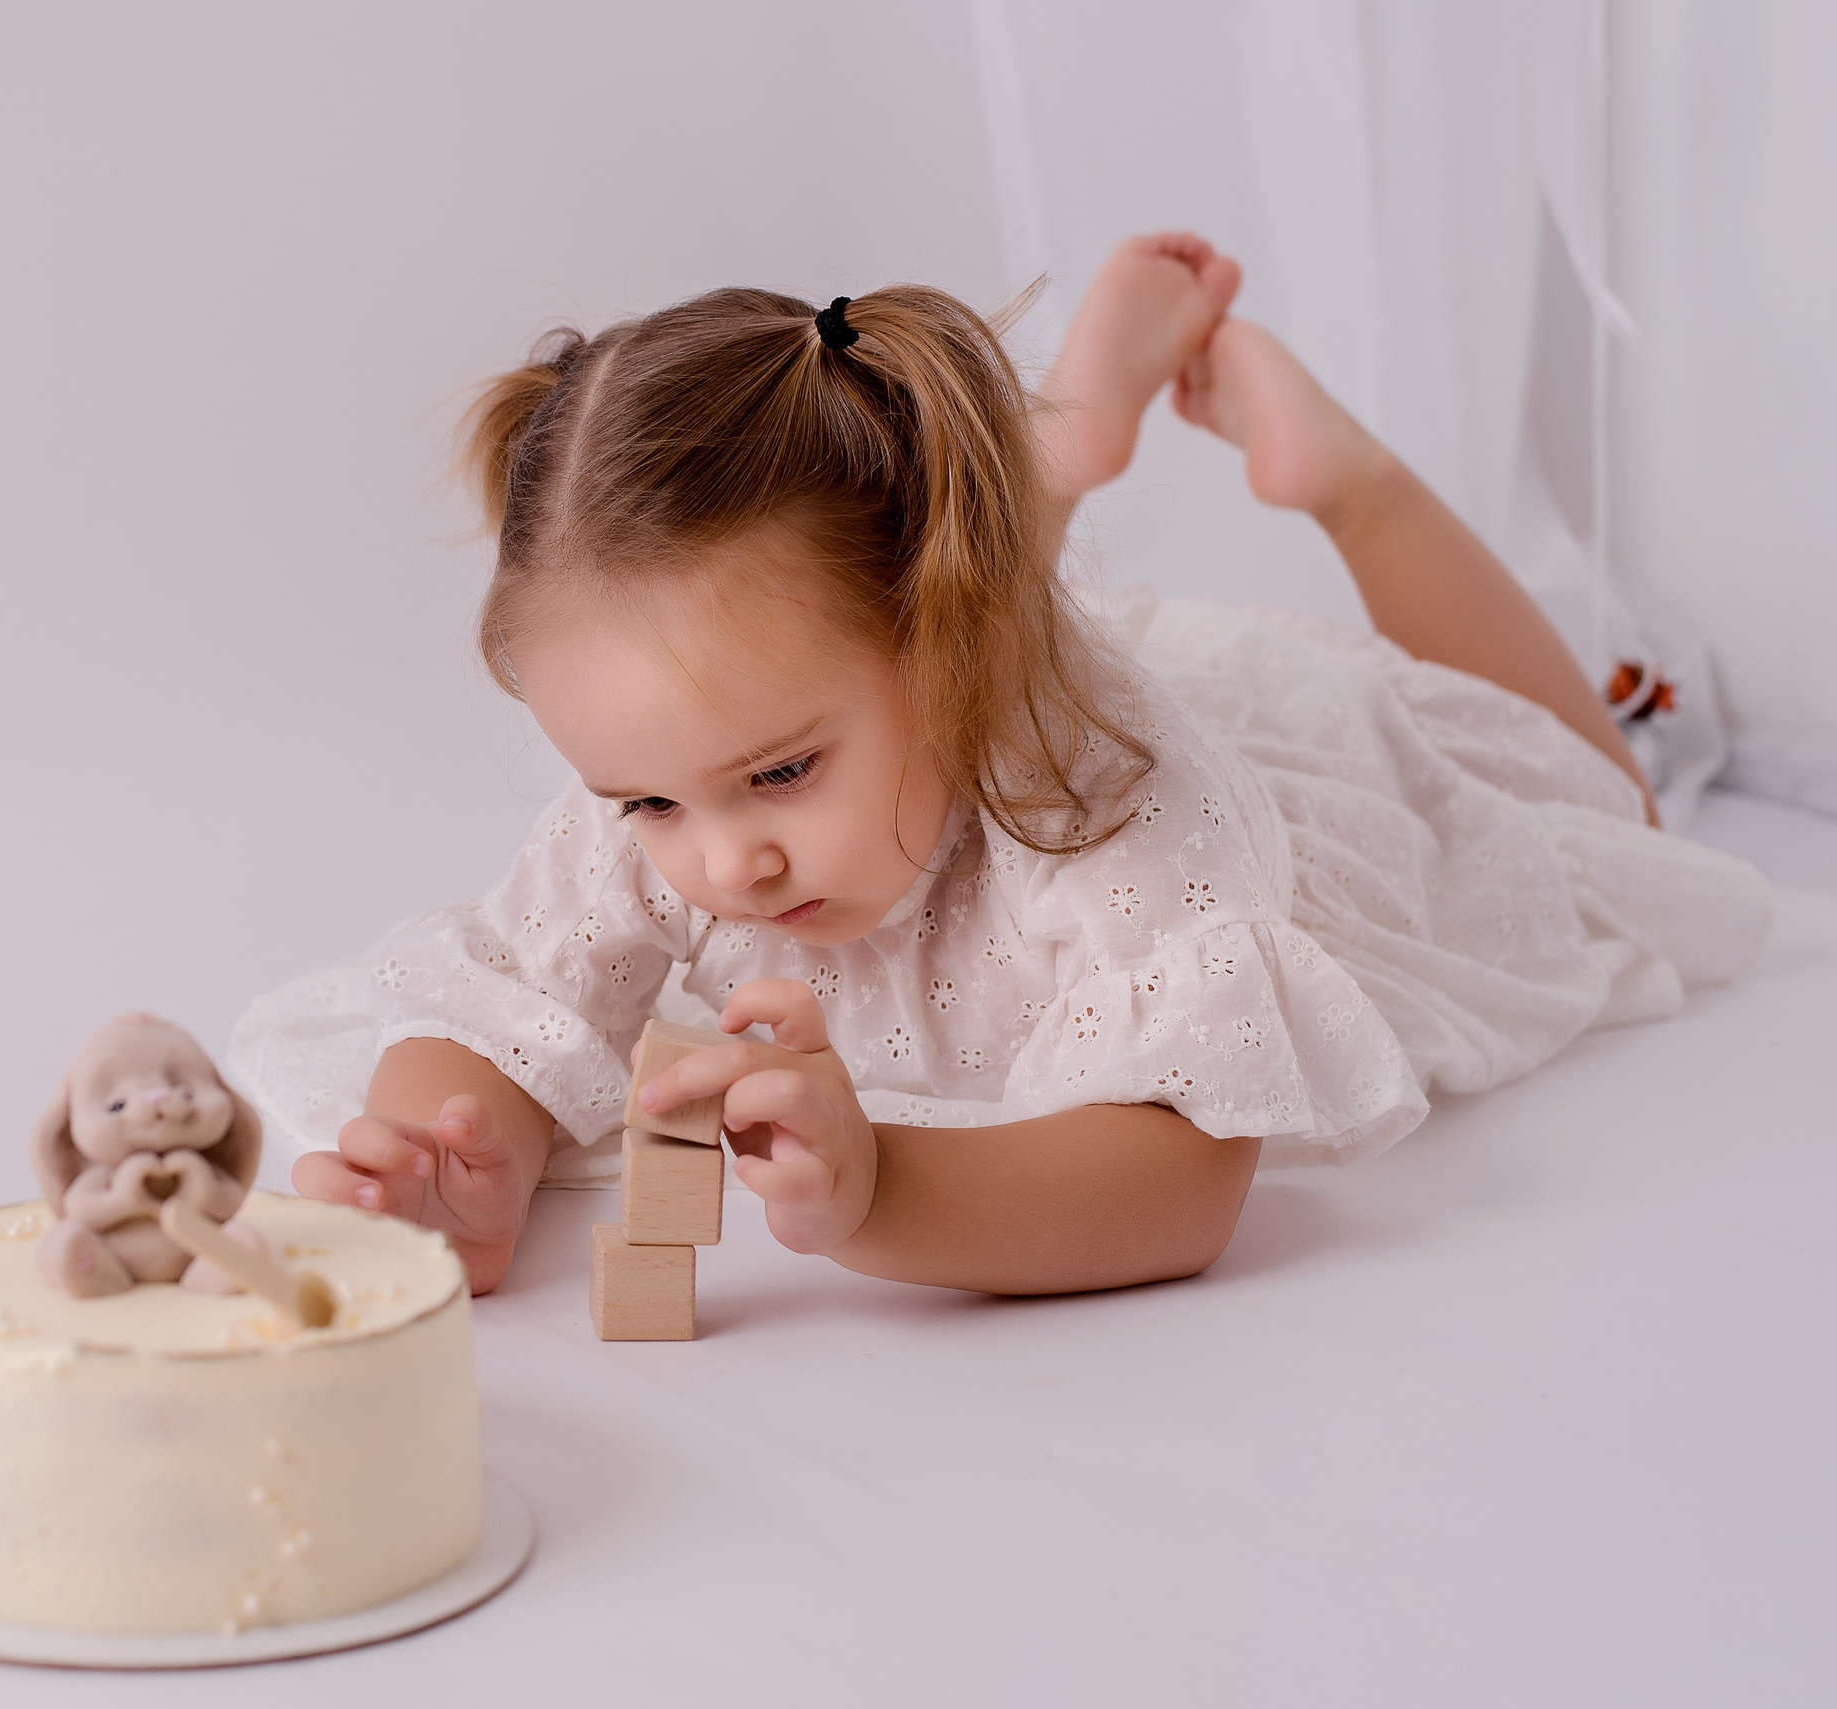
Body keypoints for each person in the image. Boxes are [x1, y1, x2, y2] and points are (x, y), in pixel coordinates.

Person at [231, 234, 1770, 1297]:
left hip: (1281, 792)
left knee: (1594, 811)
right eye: (648, 800)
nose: (719, 863)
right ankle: (1064, 442)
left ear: (957, 642)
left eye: (778, 777)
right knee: (867, 631)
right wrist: (457, 1159)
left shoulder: (1104, 801)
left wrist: (886, 1190)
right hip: (934, 631)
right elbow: (504, 993)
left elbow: (1183, 1168)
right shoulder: (685, 780)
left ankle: (1347, 481)